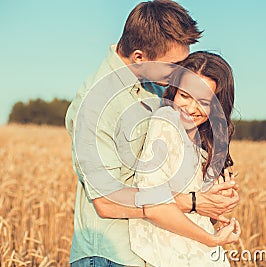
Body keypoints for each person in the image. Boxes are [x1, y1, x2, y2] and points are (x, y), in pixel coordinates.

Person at [65, 1, 240, 266]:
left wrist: (214, 195)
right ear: (139, 58)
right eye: (175, 65)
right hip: (111, 257)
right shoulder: (94, 107)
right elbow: (108, 202)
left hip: (155, 255)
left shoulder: (159, 87)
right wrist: (194, 202)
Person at [129, 51, 240, 267]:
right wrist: (212, 239)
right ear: (174, 91)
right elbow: (152, 203)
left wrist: (219, 207)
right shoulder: (165, 122)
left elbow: (196, 210)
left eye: (203, 102)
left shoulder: (203, 143)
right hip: (165, 258)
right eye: (185, 96)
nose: (190, 109)